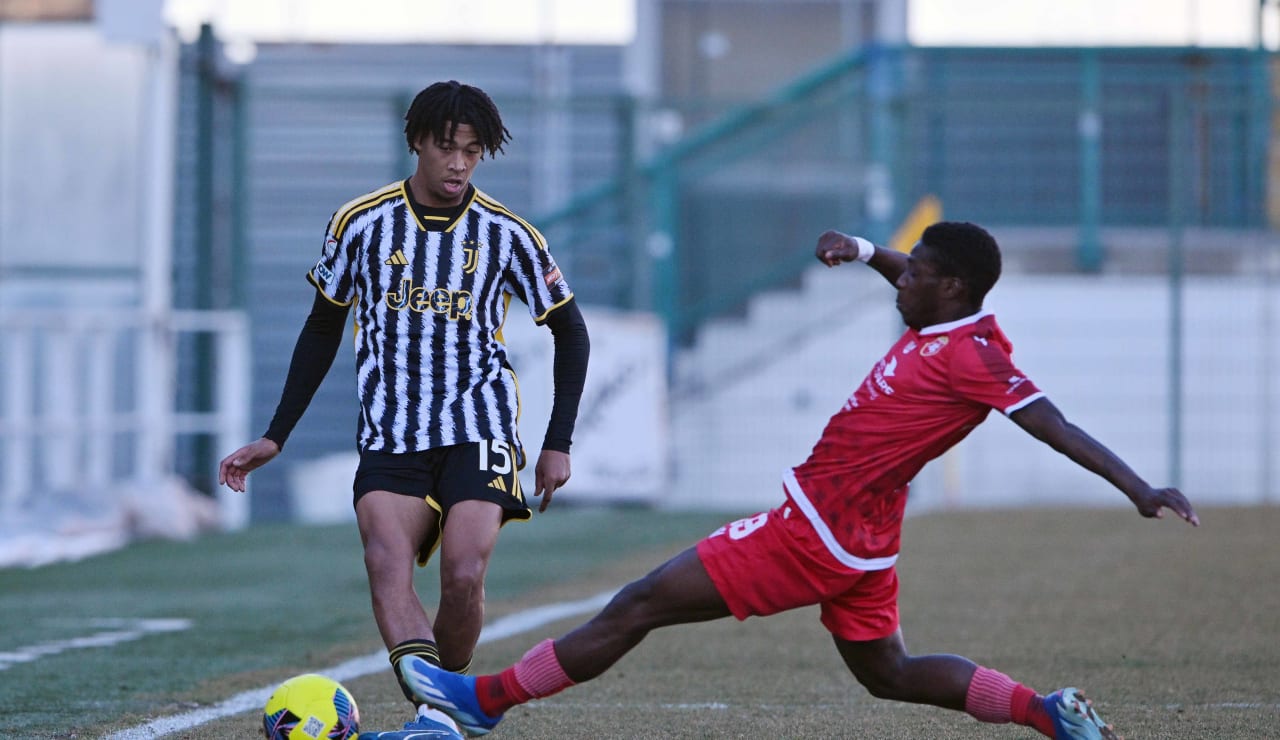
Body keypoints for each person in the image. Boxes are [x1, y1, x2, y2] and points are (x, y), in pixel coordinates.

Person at [395, 221, 1199, 740]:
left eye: (916, 272)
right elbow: (902, 278)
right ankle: (1045, 713)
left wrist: (1139, 488)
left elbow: (1051, 424)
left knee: (641, 602)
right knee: (890, 674)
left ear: (951, 287)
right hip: (861, 541)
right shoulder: (942, 318)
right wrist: (864, 253)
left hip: (813, 532)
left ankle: (481, 702)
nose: (903, 280)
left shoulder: (975, 356)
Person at [218, 81, 590, 739]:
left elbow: (571, 331)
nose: (458, 165)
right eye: (447, 149)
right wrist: (277, 434)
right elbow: (321, 329)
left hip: (480, 425)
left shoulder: (509, 235)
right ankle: (438, 716)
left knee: (465, 573)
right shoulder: (360, 223)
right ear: (417, 141)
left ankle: (439, 708)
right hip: (392, 432)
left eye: (473, 153)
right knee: (385, 562)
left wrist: (557, 441)